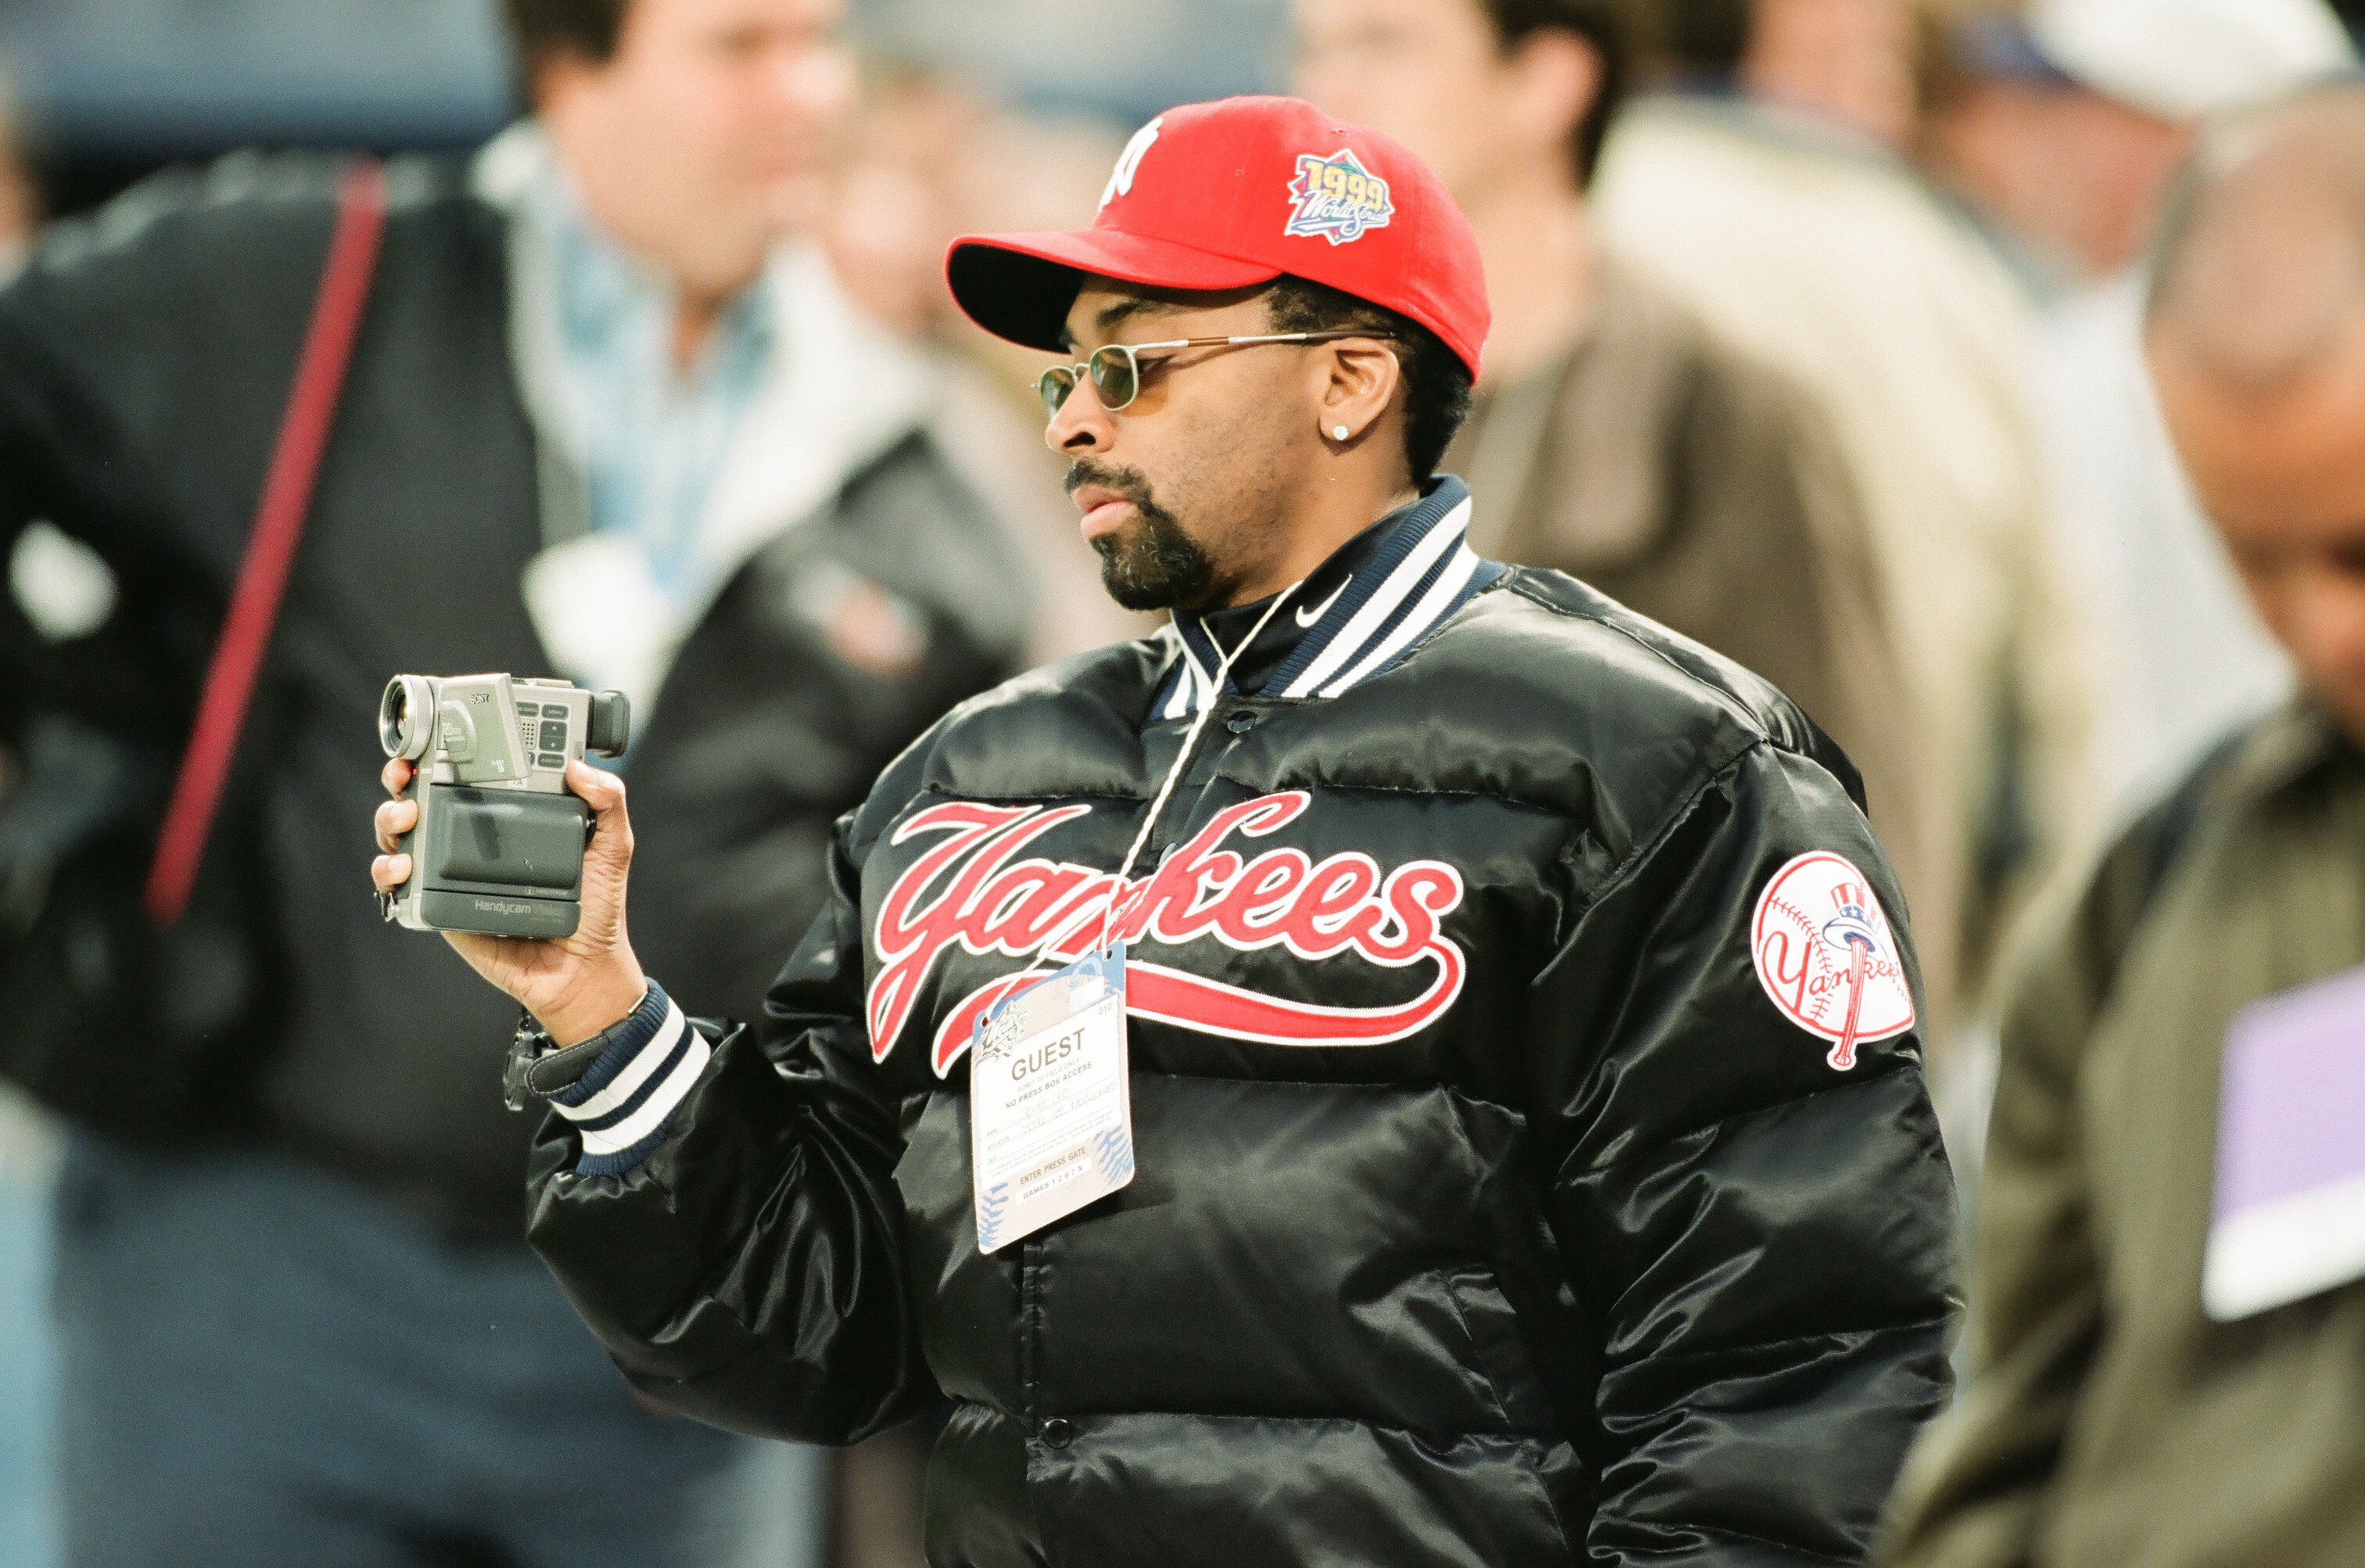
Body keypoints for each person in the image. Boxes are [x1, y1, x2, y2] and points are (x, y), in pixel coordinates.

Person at [377, 95, 1960, 1566]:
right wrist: (594, 1007)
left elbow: (1802, 1361)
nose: (1075, 420)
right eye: (1067, 373)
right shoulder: (972, 780)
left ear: (1351, 377)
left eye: (1135, 362)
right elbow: (812, 1316)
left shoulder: (1659, 762)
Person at [0, 0, 1032, 1562]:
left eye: (823, 43)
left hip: (672, 1362)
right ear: (569, 65)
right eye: (742, 47)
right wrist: (68, 732)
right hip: (252, 1285)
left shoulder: (914, 472)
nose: (810, 95)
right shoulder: (299, 284)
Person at [1882, 85, 2365, 1567]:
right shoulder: (2158, 901)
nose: (2316, 629)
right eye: (2253, 557)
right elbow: (2010, 1435)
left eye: (2355, 546)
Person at [1291, 0, 1933, 1022]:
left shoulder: (1719, 418)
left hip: (1622, 1117)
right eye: (1313, 49)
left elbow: (1844, 831)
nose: (1328, 95)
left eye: (1384, 43)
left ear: (1547, 80)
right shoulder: (1284, 421)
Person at [1595, 0, 2097, 1031]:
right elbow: (2054, 707)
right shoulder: (1947, 272)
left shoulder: (1555, 233)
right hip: (1877, 971)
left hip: (1574, 1000)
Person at [1925, 0, 2349, 823]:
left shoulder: (2092, 365)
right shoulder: (2070, 350)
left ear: (2193, 136)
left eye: (2072, 103)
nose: (2033, 135)